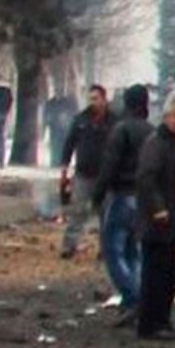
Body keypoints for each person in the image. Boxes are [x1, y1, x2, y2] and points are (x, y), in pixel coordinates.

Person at [92, 84, 154, 327]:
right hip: (144, 199)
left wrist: (98, 194)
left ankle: (133, 297)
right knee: (132, 252)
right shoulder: (152, 131)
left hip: (122, 196)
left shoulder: (122, 130)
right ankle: (134, 301)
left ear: (127, 104)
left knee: (112, 250)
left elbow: (109, 164)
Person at [136, 96, 175, 341]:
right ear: (165, 117)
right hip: (158, 224)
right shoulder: (156, 144)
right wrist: (158, 208)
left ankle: (163, 320)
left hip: (173, 223)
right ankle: (150, 324)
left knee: (170, 275)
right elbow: (146, 178)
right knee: (155, 276)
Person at [59, 84, 117, 260]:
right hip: (83, 174)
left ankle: (105, 249)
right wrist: (64, 167)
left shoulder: (114, 122)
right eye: (90, 99)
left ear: (104, 99)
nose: (93, 102)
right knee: (77, 211)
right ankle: (69, 246)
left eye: (96, 98)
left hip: (106, 175)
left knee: (106, 213)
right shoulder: (81, 120)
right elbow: (69, 143)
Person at [43, 93, 79, 167]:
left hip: (64, 128)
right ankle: (54, 161)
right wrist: (49, 121)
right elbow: (46, 115)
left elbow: (72, 114)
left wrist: (66, 121)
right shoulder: (50, 103)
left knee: (63, 145)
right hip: (54, 128)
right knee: (54, 145)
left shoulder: (68, 102)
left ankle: (61, 162)